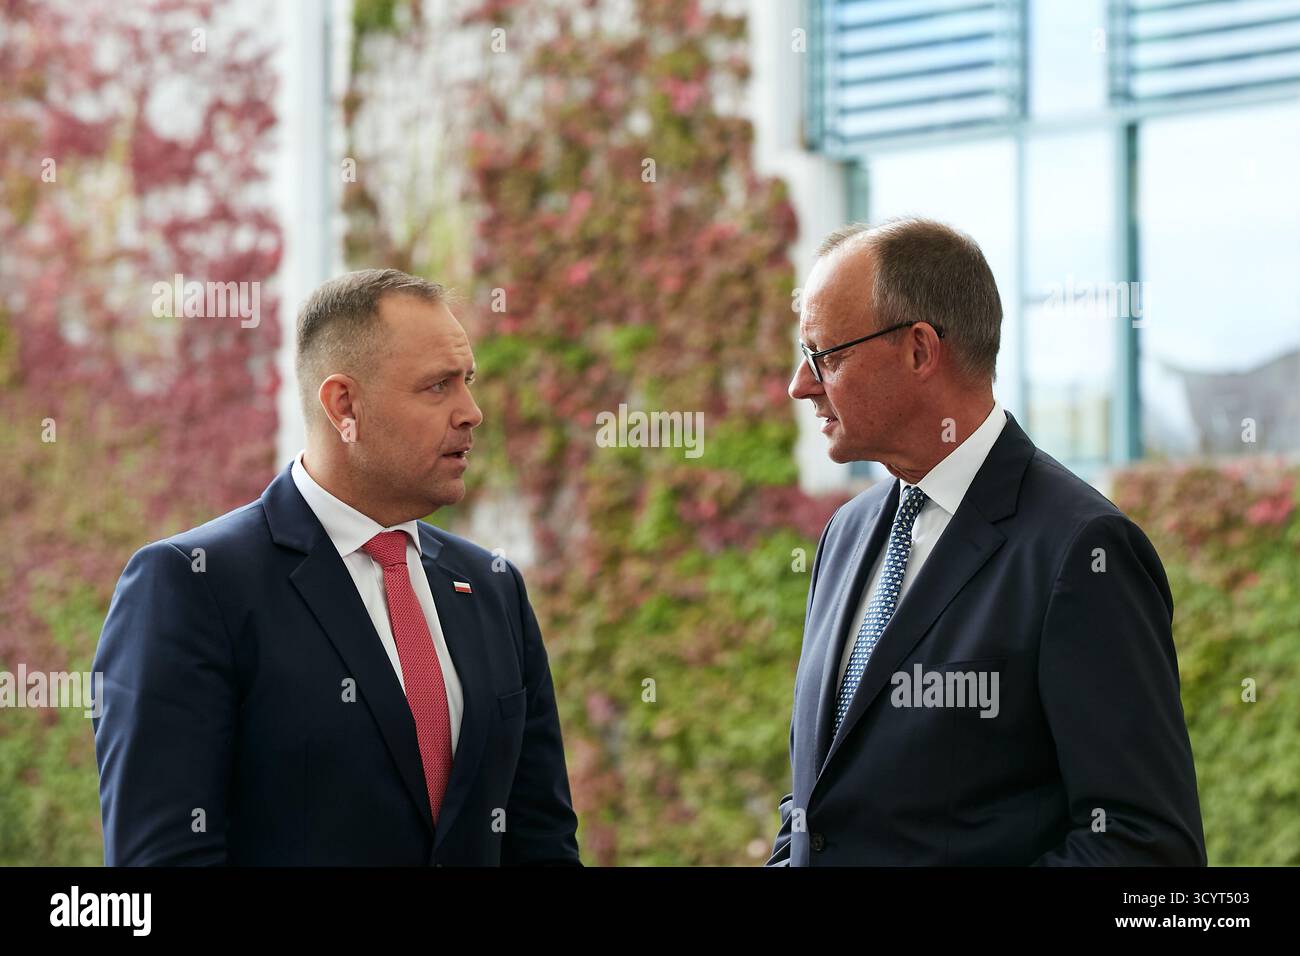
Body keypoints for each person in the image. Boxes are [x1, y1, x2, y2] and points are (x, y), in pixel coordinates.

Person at [93, 269, 580, 865]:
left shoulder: (493, 588)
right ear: (343, 404)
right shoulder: (193, 586)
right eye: (438, 387)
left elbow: (542, 842)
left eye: (468, 382)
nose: (471, 411)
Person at [768, 218, 1206, 866]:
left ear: (919, 350)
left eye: (824, 356)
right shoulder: (846, 533)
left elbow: (1145, 849)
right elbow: (818, 807)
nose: (800, 385)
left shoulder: (1082, 552)